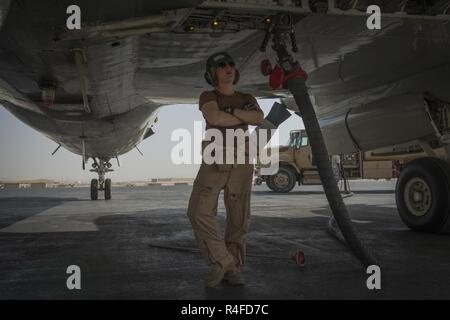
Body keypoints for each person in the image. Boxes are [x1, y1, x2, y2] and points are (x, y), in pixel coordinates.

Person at [187, 52, 264, 288]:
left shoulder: (246, 96)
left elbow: (259, 117)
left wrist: (231, 113)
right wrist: (241, 117)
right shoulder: (208, 95)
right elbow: (215, 118)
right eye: (222, 65)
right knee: (198, 212)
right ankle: (223, 261)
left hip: (242, 160)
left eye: (231, 64)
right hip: (215, 159)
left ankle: (235, 270)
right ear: (213, 73)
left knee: (239, 219)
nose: (228, 68)